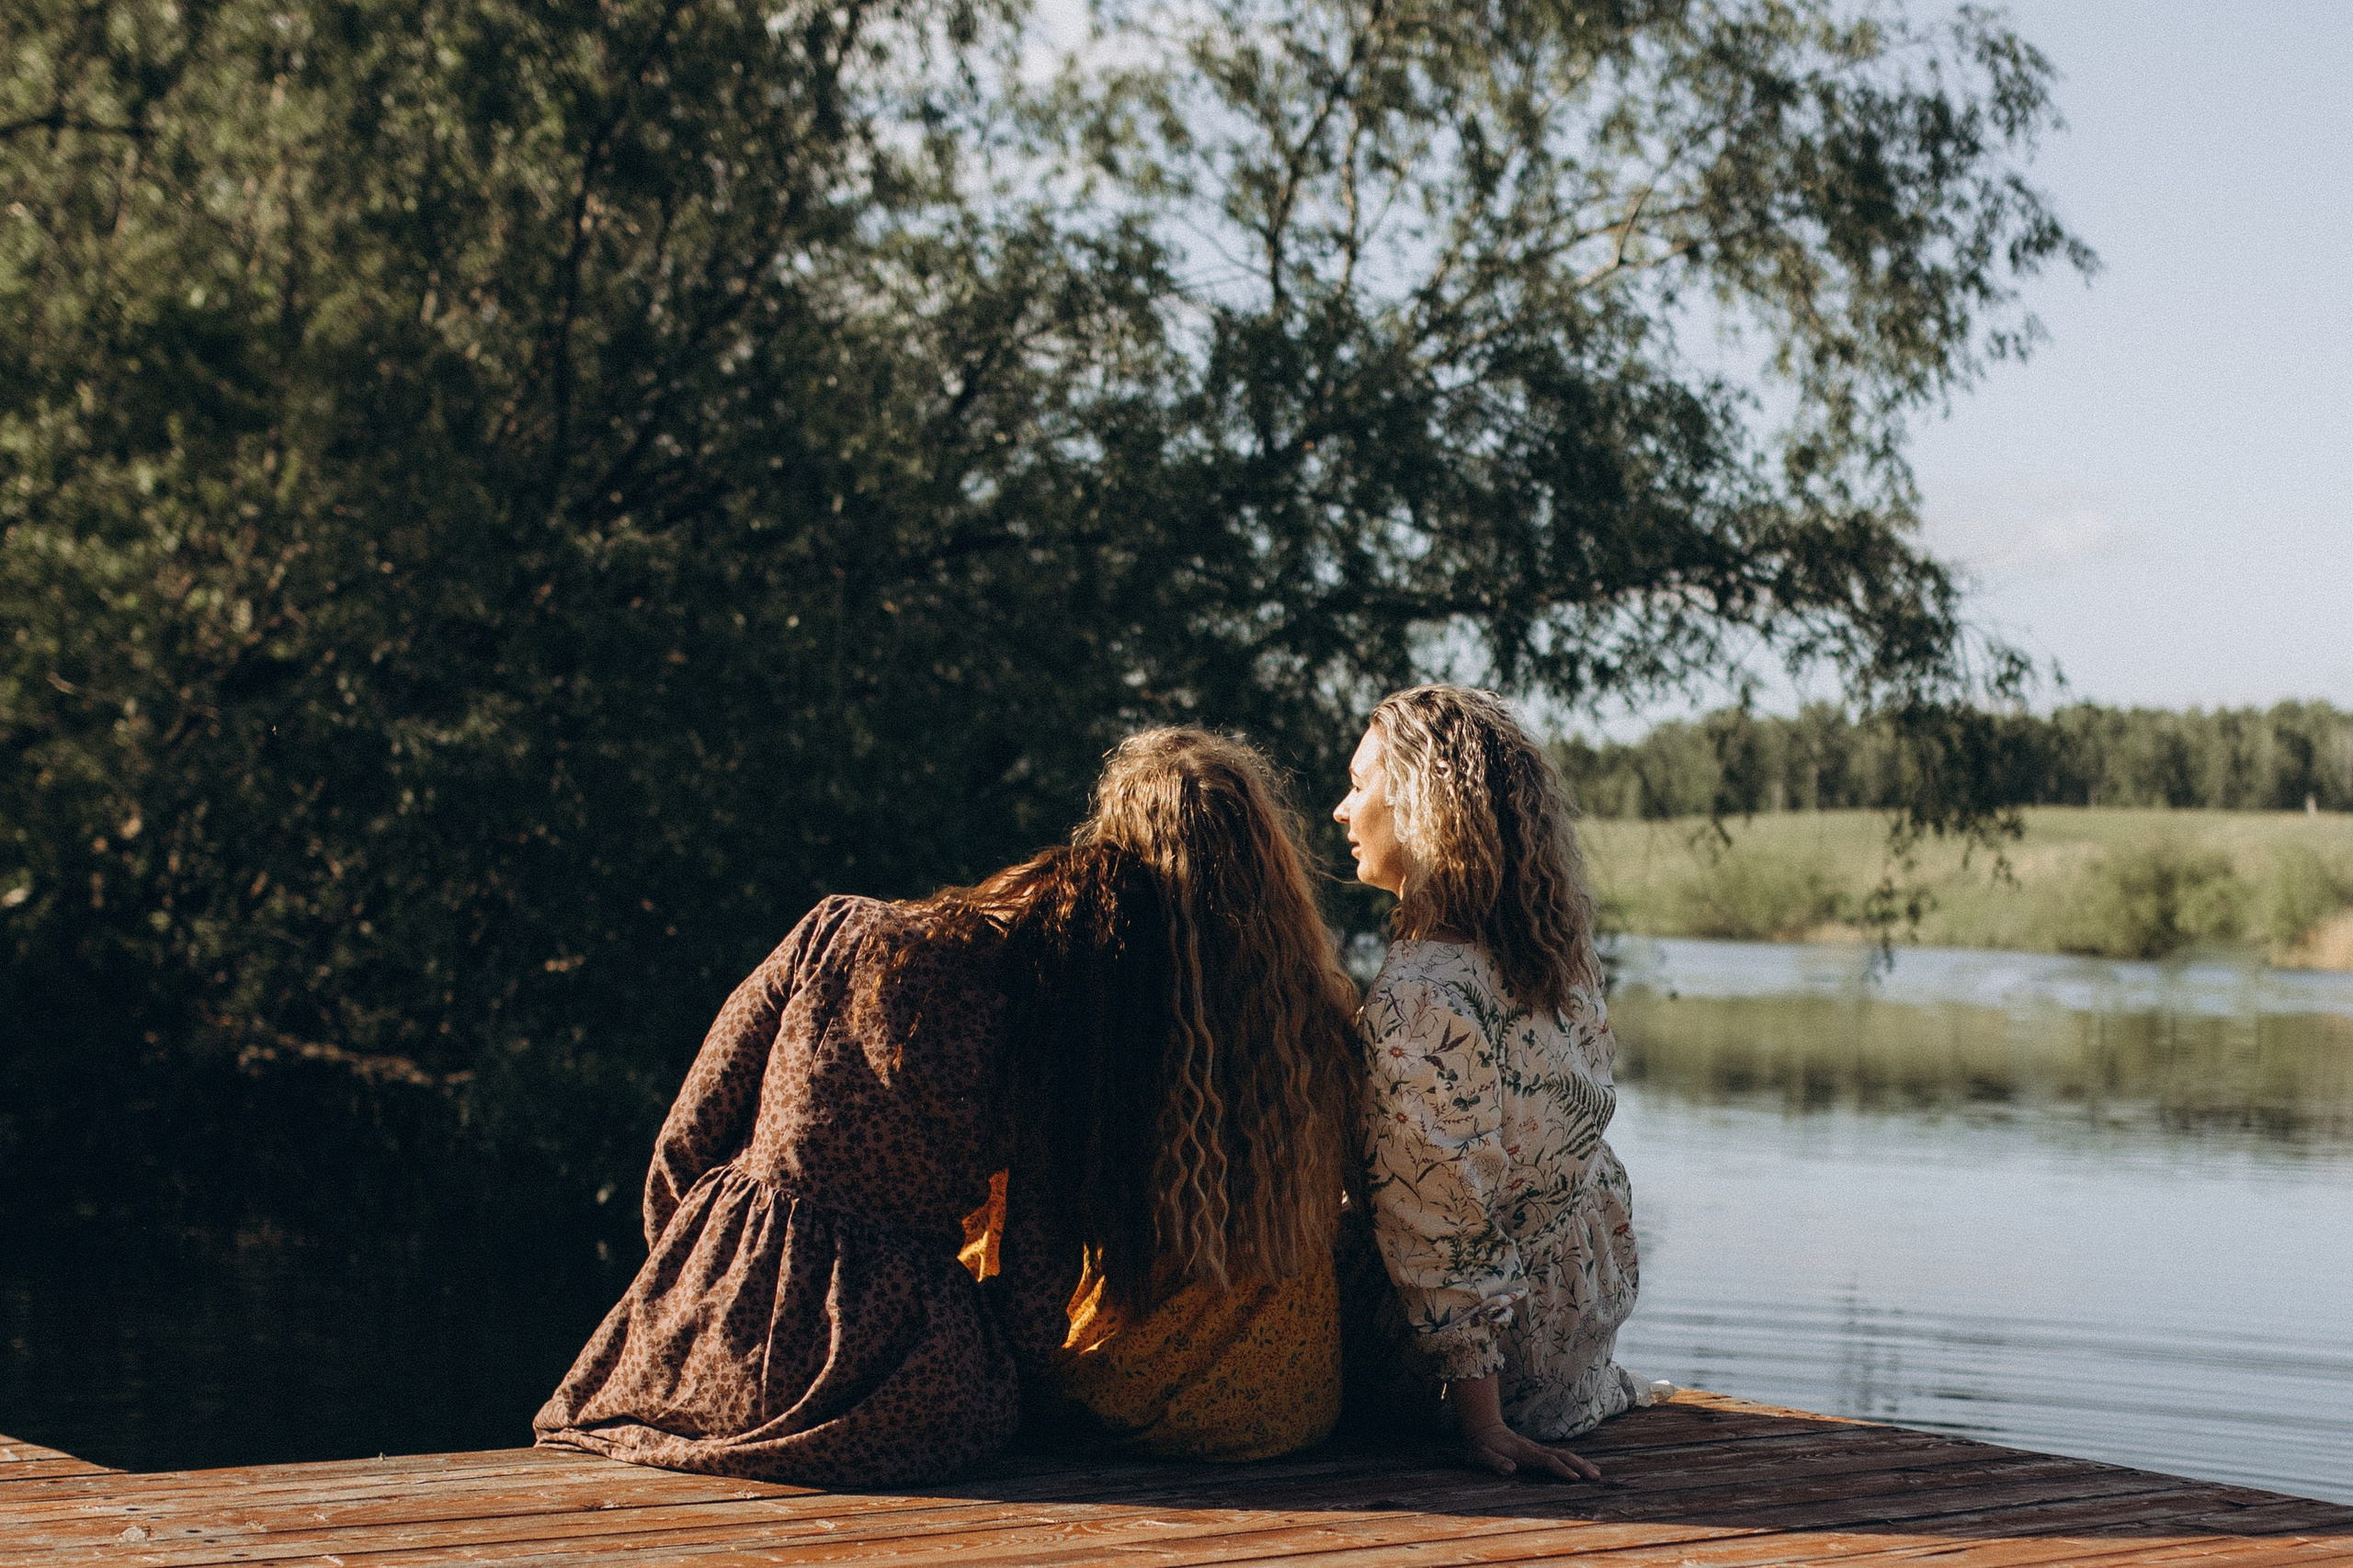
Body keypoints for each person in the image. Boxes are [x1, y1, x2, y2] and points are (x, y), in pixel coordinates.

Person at [532, 844, 1159, 1487]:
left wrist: (688, 1278)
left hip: (719, 1306)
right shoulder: (1042, 1043)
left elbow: (692, 1127)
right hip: (882, 1366)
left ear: (1012, 883)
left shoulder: (839, 929)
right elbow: (1032, 1278)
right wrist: (999, 1365)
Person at [961, 727, 1366, 1461]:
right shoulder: (1315, 1014)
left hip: (1130, 1400)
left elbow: (1027, 1211)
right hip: (1293, 1403)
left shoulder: (1105, 1016)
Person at [1332, 685, 1666, 1482]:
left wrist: (1480, 1427)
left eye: (1359, 783)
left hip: (1463, 1383)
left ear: (1417, 806)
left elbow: (1438, 1211)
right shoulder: (1552, 962)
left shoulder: (1425, 994)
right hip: (1564, 1357)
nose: (1342, 810)